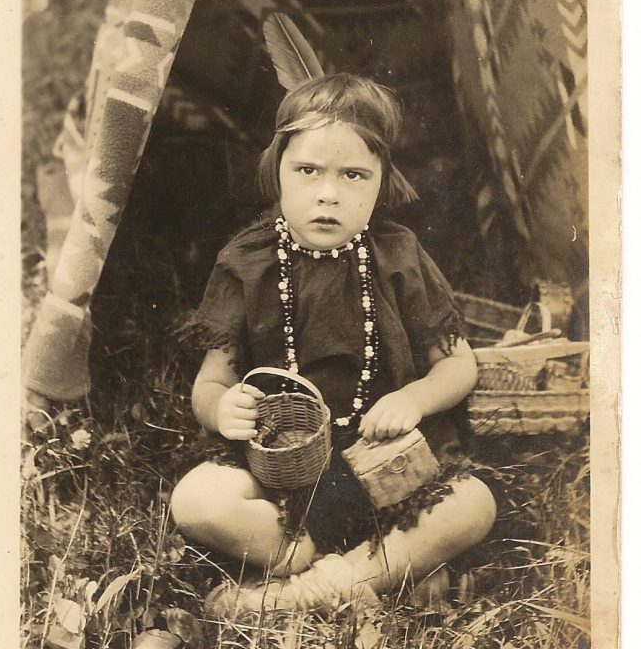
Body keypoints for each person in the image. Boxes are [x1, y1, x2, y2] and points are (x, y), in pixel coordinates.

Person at [171, 72, 496, 613]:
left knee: (472, 506)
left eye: (353, 175)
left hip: (390, 468)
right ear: (278, 170)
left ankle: (298, 595)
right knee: (197, 501)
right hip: (280, 476)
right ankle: (358, 568)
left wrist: (412, 399)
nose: (328, 192)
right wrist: (222, 408)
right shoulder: (248, 261)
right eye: (308, 171)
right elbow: (212, 381)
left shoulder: (399, 255)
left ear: (382, 182)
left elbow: (458, 366)